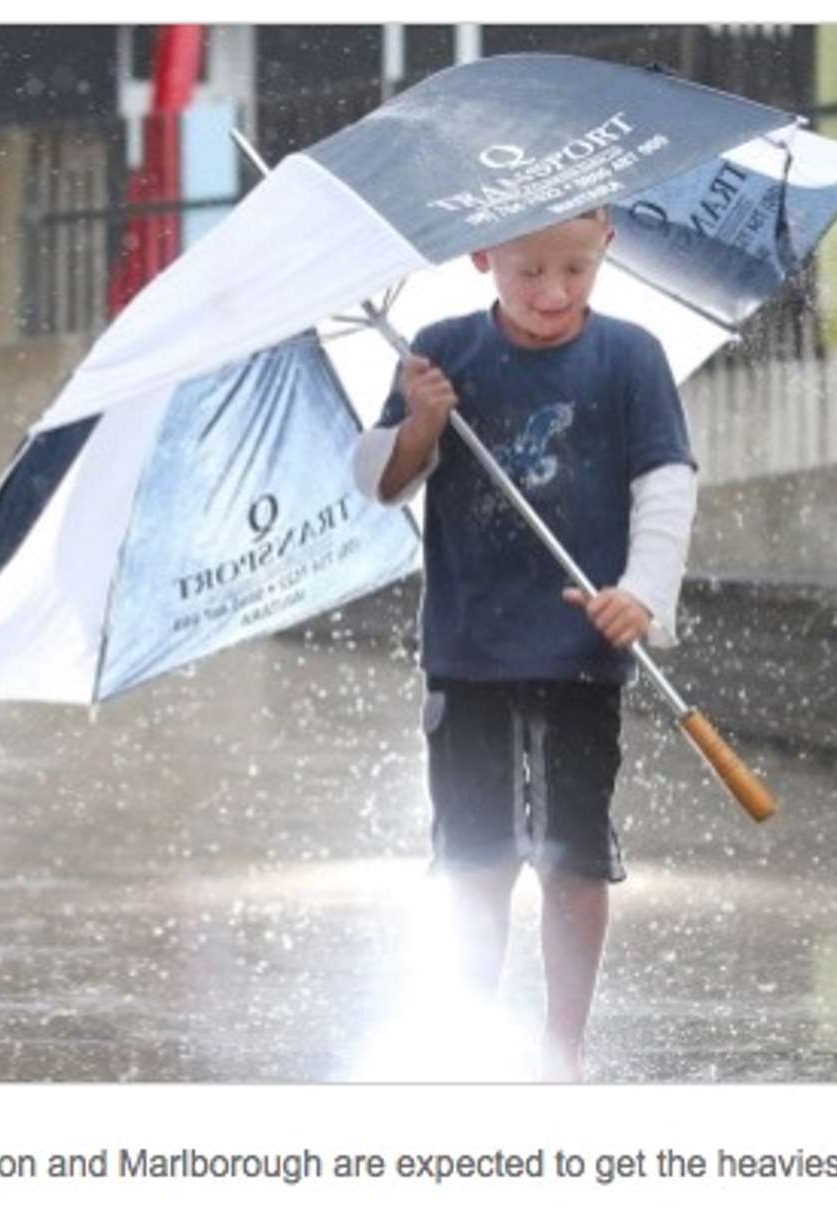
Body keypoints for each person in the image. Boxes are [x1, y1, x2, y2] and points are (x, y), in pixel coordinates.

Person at [351, 207, 697, 1082]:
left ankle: (563, 1043)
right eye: (528, 271)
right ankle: (475, 1031)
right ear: (482, 258)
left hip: (583, 653)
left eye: (575, 269)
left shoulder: (630, 358)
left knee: (576, 855)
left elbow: (666, 486)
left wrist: (641, 595)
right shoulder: (441, 351)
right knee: (475, 856)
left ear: (605, 245)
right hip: (469, 652)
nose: (552, 292)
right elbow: (382, 482)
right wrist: (422, 422)